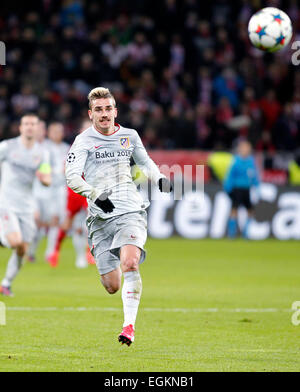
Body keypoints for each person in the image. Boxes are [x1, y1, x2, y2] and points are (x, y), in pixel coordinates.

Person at [65, 87, 172, 346]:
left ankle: (129, 327)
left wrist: (159, 179)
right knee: (112, 285)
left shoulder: (129, 136)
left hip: (130, 210)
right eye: (98, 110)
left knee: (131, 263)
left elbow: (145, 161)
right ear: (91, 114)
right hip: (100, 218)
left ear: (115, 111)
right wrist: (95, 194)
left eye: (108, 109)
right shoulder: (83, 141)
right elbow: (71, 176)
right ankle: (120, 273)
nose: (104, 114)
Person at [0, 114, 51, 296]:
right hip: (6, 203)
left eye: (33, 124)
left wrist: (44, 178)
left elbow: (47, 177)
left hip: (27, 207)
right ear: (20, 127)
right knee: (14, 241)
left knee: (22, 248)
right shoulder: (7, 147)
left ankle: (6, 283)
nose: (29, 127)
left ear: (38, 129)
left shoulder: (42, 153)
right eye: (26, 124)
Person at [224, 140, 260, 239]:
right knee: (234, 210)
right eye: (244, 148)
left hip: (247, 189)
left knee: (250, 211)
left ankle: (246, 232)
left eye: (247, 148)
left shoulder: (251, 161)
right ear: (240, 149)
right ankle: (232, 233)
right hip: (237, 189)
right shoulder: (236, 161)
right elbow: (230, 176)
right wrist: (227, 187)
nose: (246, 150)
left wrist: (257, 186)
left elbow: (254, 176)